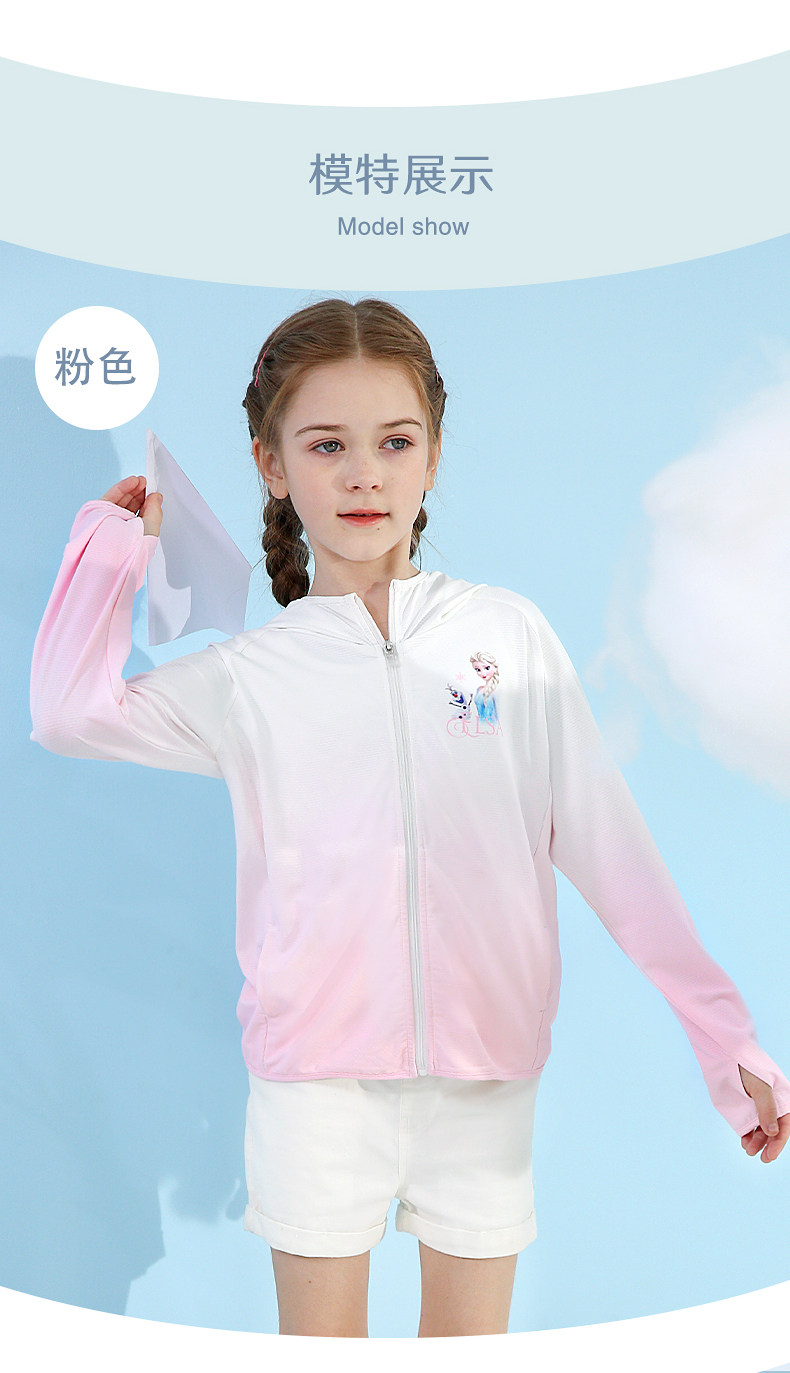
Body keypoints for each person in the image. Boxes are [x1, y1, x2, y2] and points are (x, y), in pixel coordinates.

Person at [29, 296, 790, 1339]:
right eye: (325, 445)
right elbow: (69, 713)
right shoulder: (251, 677)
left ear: (432, 455)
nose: (363, 474)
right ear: (270, 463)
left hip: (486, 1078)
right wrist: (111, 545)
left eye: (394, 442)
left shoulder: (508, 637)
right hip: (315, 1085)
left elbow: (613, 852)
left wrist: (724, 1036)